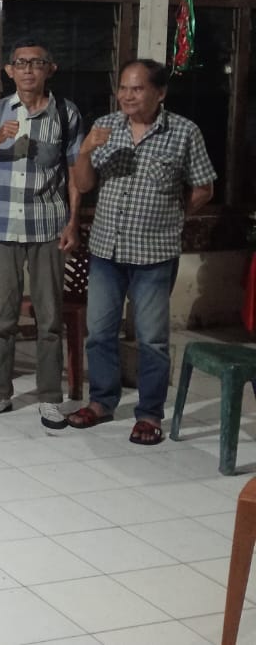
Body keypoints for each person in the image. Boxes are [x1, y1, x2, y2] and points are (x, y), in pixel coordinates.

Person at [67, 58, 215, 445]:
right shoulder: (107, 127)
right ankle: (101, 402)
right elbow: (83, 184)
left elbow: (203, 188)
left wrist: (172, 217)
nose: (127, 96)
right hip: (106, 249)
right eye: (123, 88)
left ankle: (149, 414)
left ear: (160, 93)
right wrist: (85, 151)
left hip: (154, 254)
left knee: (152, 339)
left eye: (137, 88)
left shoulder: (184, 132)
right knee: (100, 333)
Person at [0, 39, 83, 430]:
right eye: (21, 63)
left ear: (50, 69)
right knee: (3, 317)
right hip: (1, 227)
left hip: (48, 227)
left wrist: (73, 222)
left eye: (37, 63)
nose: (28, 70)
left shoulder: (65, 113)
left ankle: (50, 398)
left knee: (49, 318)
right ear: (9, 70)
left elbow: (75, 173)